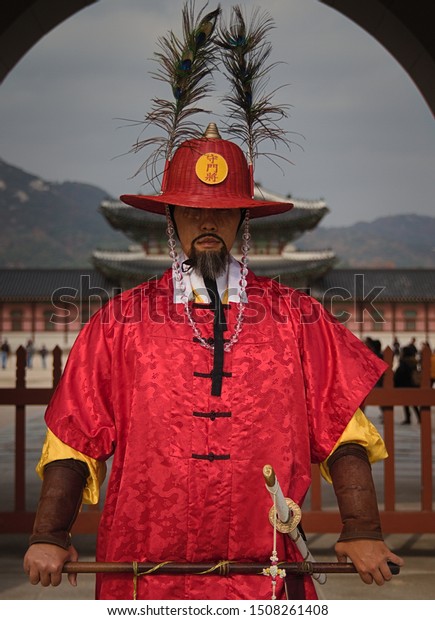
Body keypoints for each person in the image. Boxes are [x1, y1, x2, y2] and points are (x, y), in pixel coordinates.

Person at [23, 4, 403, 600]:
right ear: (170, 217)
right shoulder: (119, 324)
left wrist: (363, 529)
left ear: (244, 218)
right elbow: (75, 435)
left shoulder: (298, 319)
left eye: (222, 210)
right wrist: (49, 533)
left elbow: (343, 429)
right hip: (145, 568)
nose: (207, 223)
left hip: (266, 570)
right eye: (193, 210)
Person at [394, 345, 421, 424]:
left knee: (406, 403)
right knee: (414, 403)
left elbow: (400, 373)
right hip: (412, 385)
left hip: (404, 385)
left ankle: (408, 418)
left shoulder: (403, 362)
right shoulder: (413, 361)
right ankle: (419, 417)